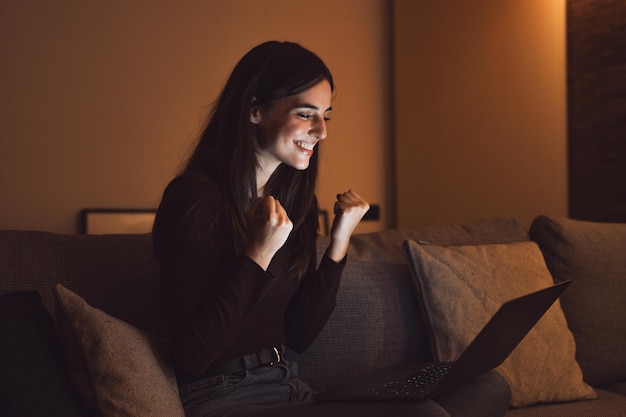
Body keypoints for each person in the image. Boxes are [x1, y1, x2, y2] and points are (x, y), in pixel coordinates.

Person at [153, 41, 510, 417]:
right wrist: (258, 255)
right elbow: (191, 356)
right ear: (255, 110)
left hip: (290, 386)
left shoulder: (295, 204)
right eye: (306, 114)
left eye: (326, 115)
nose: (321, 131)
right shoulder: (195, 199)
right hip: (222, 397)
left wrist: (338, 243)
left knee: (485, 386)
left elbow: (300, 335)